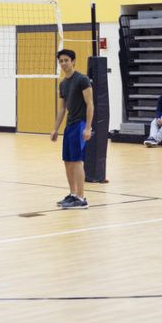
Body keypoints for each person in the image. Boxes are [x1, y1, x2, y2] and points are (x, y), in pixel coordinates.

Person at [50, 48, 93, 209]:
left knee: (77, 161)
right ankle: (73, 194)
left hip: (80, 124)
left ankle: (81, 199)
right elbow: (62, 109)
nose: (63, 63)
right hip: (69, 126)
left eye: (66, 60)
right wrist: (55, 129)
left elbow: (90, 104)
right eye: (61, 61)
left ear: (73, 61)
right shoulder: (63, 83)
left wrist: (88, 127)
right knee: (67, 161)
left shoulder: (82, 79)